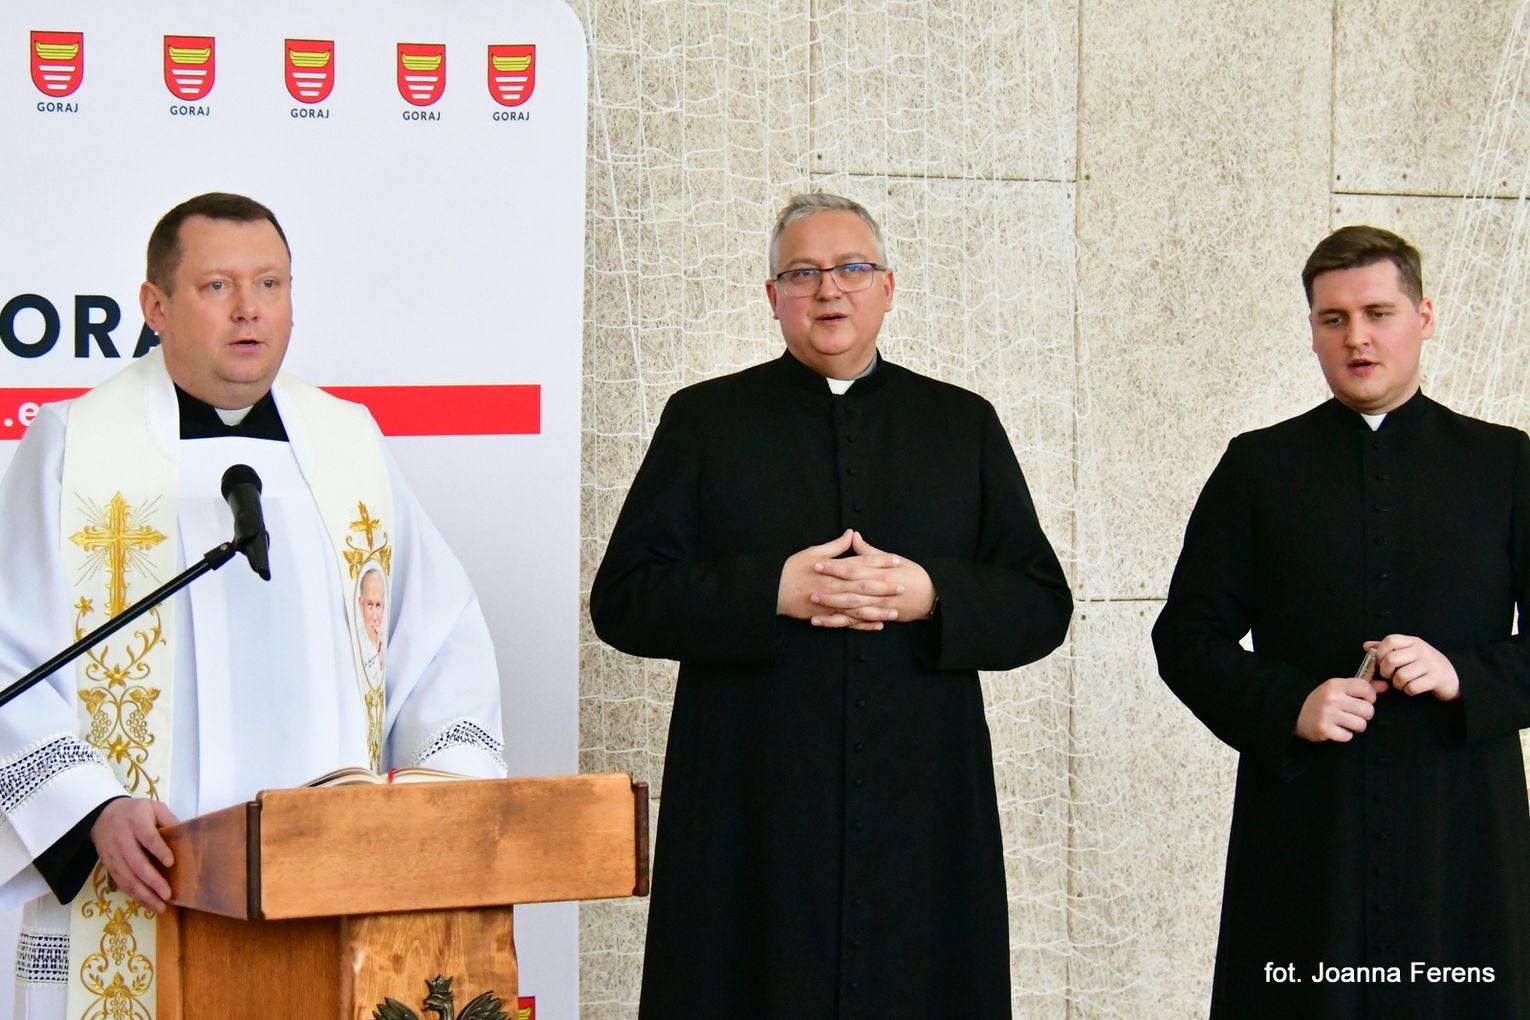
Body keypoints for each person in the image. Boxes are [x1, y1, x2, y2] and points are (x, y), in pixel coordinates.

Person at [0, 193, 507, 1019]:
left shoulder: (347, 443)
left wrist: (444, 792)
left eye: (270, 284)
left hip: (331, 886)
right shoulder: (74, 445)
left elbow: (439, 638)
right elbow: (10, 656)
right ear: (156, 306)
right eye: (218, 286)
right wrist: (90, 806)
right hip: (145, 882)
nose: (249, 310)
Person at [590, 193, 1072, 1018]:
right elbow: (624, 599)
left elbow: (1042, 603)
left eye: (851, 268)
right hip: (750, 811)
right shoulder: (704, 421)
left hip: (922, 809)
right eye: (802, 273)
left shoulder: (962, 424)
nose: (828, 290)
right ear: (771, 296)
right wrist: (769, 590)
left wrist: (932, 594)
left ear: (888, 287)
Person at [1153, 224, 1530, 1018]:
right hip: (1306, 829)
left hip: (1460, 826)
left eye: (1377, 313)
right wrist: (1290, 702)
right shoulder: (1257, 467)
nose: (1356, 337)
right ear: (1313, 330)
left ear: (1424, 317)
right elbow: (1185, 638)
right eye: (1334, 319)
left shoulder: (1506, 464)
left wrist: (1465, 674)